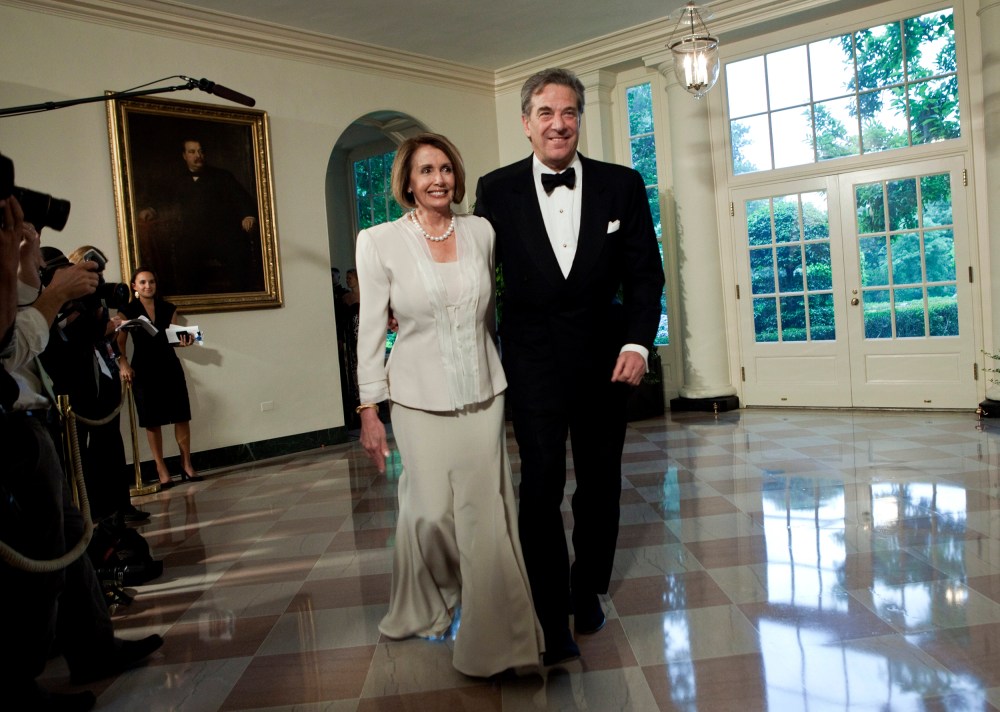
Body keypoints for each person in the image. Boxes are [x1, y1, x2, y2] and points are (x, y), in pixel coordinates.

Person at [474, 68, 665, 666]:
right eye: (546, 113)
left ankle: (587, 591)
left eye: (569, 113)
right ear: (526, 123)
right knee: (540, 487)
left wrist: (638, 344)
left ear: (579, 119)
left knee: (601, 484)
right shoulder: (495, 189)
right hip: (532, 362)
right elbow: (475, 273)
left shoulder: (622, 184)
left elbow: (645, 275)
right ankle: (550, 610)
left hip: (607, 362)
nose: (558, 124)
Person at [355, 132, 543, 677]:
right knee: (431, 513)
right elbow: (372, 330)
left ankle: (498, 640)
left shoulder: (481, 231)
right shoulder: (379, 241)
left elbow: (493, 311)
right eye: (426, 171)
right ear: (408, 182)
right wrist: (369, 409)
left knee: (485, 518)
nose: (438, 179)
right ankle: (438, 595)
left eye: (445, 169)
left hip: (483, 392)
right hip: (415, 398)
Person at [0, 192, 162, 711]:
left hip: (31, 422)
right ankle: (19, 683)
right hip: (11, 425)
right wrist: (53, 297)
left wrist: (25, 257)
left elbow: (18, 311)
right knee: (43, 558)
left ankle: (94, 647)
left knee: (73, 539)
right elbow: (8, 345)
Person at [137, 139, 260, 295]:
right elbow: (163, 199)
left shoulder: (222, 176)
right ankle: (190, 300)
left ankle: (242, 298)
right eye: (192, 152)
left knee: (238, 254)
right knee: (183, 260)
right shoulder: (177, 179)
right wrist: (151, 210)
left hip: (222, 235)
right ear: (184, 156)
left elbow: (241, 197)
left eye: (201, 151)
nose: (198, 155)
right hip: (191, 237)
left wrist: (248, 215)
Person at [116, 267, 202, 489]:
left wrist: (185, 341)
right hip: (143, 368)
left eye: (151, 282)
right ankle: (161, 468)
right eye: (143, 282)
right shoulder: (127, 310)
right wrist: (123, 363)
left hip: (169, 365)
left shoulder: (167, 307)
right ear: (134, 286)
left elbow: (173, 337)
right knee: (152, 419)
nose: (148, 286)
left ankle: (186, 464)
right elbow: (119, 342)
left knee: (181, 415)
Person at [341, 267, 361, 424]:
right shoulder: (345, 297)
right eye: (346, 278)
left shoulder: (366, 294)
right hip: (351, 334)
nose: (347, 281)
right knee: (353, 367)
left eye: (350, 278)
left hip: (362, 332)